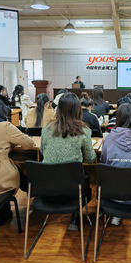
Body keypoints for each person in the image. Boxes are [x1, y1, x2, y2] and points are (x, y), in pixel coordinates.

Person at [40, 93, 95, 230]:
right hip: (73, 191)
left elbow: (42, 151)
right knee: (83, 178)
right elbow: (90, 159)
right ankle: (75, 216)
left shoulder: (46, 129)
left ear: (58, 110)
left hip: (46, 188)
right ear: (78, 110)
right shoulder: (83, 131)